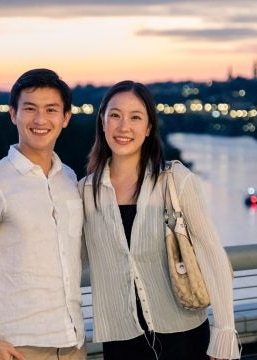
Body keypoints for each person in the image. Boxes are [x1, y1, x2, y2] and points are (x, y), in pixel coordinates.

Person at [79, 81, 240, 360]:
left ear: (149, 127)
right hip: (121, 340)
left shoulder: (176, 181)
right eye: (115, 115)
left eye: (135, 117)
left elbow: (212, 254)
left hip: (184, 335)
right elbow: (68, 260)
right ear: (102, 122)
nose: (123, 127)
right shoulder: (84, 192)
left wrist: (224, 333)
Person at [0, 68, 86, 360]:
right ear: (13, 114)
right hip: (16, 349)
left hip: (73, 345)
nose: (40, 120)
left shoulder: (69, 180)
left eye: (51, 110)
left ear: (66, 118)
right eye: (30, 109)